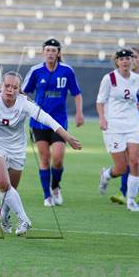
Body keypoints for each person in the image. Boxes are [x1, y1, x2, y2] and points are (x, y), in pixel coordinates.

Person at [0, 71, 81, 235]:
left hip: (16, 149)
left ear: (19, 89)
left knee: (9, 190)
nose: (10, 89)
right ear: (0, 86)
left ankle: (3, 215)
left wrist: (67, 137)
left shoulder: (24, 104)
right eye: (7, 86)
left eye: (14, 87)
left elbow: (47, 119)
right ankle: (24, 220)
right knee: (4, 183)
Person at [22, 39, 84, 207]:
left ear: (58, 53)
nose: (50, 53)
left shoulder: (67, 71)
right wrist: (31, 106)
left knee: (57, 159)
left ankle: (55, 187)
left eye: (53, 50)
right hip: (38, 123)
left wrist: (79, 113)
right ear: (43, 52)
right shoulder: (36, 71)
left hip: (59, 121)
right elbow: (23, 92)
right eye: (47, 50)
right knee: (44, 159)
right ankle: (47, 196)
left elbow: (77, 93)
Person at [97, 48, 139, 212]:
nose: (126, 61)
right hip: (114, 127)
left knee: (134, 161)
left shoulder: (137, 79)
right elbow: (100, 101)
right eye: (122, 59)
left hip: (133, 125)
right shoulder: (109, 79)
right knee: (121, 168)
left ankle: (131, 201)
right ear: (117, 62)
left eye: (129, 58)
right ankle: (106, 175)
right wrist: (102, 118)